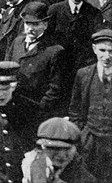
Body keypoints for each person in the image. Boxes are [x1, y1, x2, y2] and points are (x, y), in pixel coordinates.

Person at [69, 28, 112, 181]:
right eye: (102, 50)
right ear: (94, 49)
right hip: (90, 141)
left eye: (111, 51)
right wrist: (82, 134)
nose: (107, 56)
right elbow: (75, 109)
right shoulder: (84, 74)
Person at [21, 117, 96, 183]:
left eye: (67, 149)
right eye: (55, 148)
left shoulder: (85, 178)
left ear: (75, 148)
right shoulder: (26, 167)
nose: (62, 155)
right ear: (43, 147)